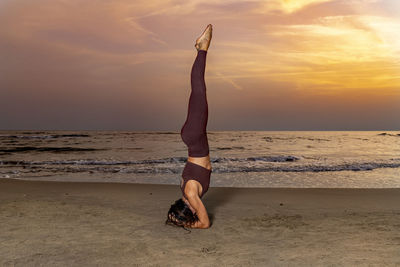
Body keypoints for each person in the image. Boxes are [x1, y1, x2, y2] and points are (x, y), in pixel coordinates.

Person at [165, 24, 213, 230]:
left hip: (195, 139)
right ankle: (201, 50)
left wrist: (190, 224)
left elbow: (205, 223)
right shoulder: (186, 191)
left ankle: (202, 49)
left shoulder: (191, 195)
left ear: (189, 210)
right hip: (193, 139)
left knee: (199, 90)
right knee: (198, 93)